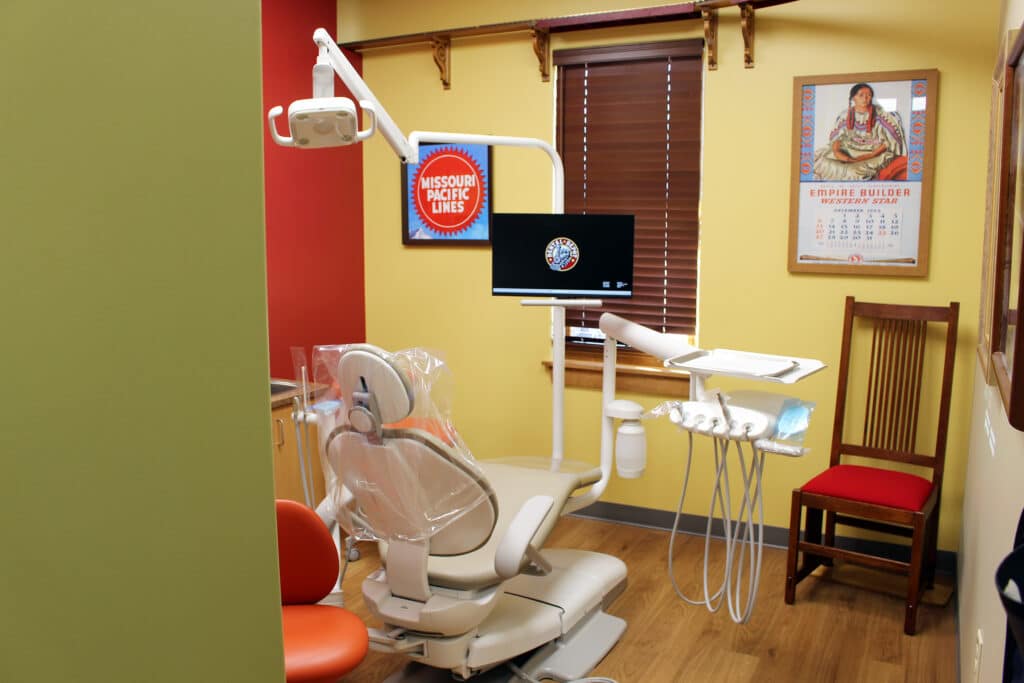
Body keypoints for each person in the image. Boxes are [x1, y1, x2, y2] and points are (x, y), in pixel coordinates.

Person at [813, 82, 908, 181]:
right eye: (861, 95)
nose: (865, 98)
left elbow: (888, 143)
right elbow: (836, 142)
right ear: (853, 98)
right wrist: (843, 157)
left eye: (869, 95)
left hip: (873, 152)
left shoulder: (882, 116)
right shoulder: (844, 115)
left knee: (856, 171)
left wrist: (869, 155)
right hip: (848, 150)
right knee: (821, 161)